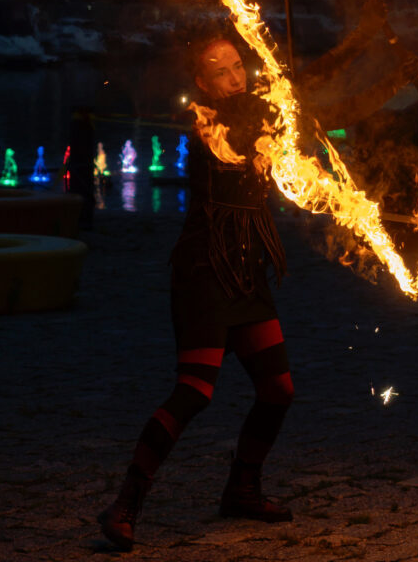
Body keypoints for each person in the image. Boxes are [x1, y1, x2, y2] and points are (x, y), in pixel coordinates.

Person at [99, 37, 294, 552]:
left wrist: (377, 58)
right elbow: (258, 123)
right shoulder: (207, 123)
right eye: (221, 71)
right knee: (195, 391)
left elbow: (326, 100)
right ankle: (125, 503)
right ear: (202, 84)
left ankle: (242, 490)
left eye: (239, 66)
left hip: (246, 272)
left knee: (278, 389)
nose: (235, 77)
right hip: (206, 269)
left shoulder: (262, 111)